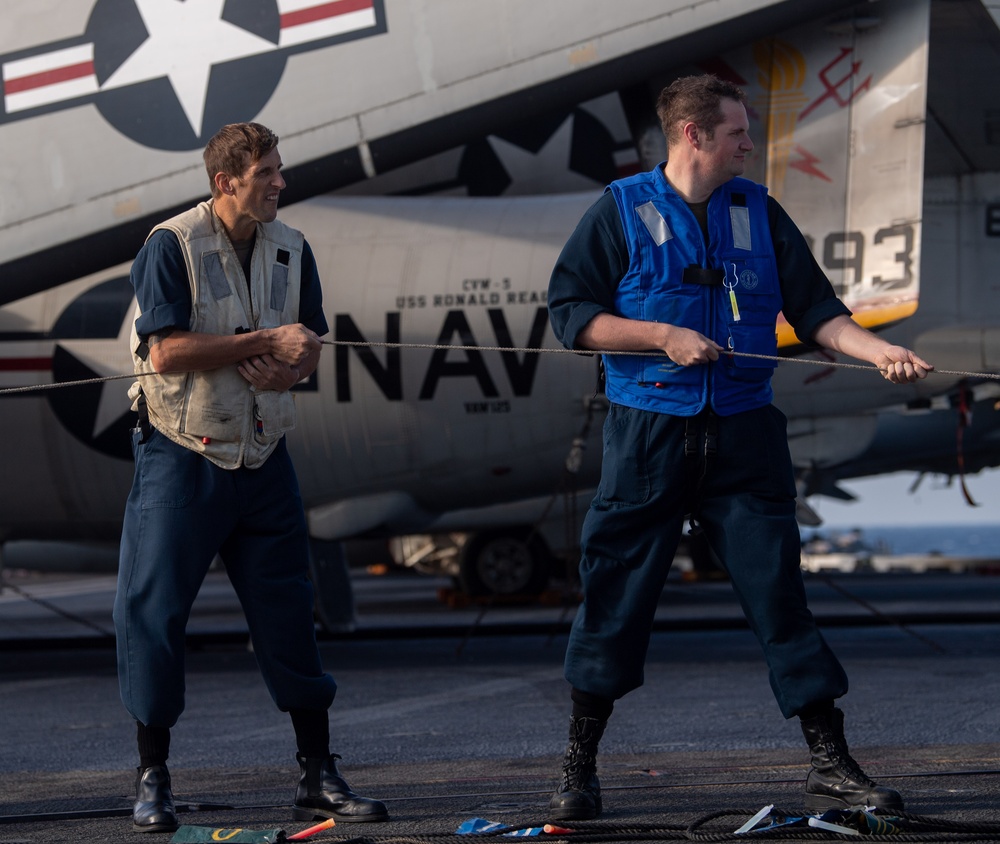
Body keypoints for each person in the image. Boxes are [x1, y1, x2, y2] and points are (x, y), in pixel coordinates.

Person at [545, 75, 932, 821]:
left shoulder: (758, 211)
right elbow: (572, 316)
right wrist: (661, 335)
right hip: (648, 435)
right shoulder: (620, 210)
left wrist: (876, 351)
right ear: (692, 135)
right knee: (614, 601)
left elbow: (817, 311)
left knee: (780, 596)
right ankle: (579, 767)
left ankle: (830, 762)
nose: (749, 144)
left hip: (745, 435)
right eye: (736, 133)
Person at [114, 122, 388, 833]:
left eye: (279, 169)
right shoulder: (169, 245)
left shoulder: (293, 249)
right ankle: (152, 776)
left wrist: (294, 363)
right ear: (225, 181)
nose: (280, 182)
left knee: (290, 613)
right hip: (183, 453)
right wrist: (267, 341)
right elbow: (168, 351)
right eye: (267, 172)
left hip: (265, 455)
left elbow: (311, 344)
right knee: (154, 613)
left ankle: (317, 773)